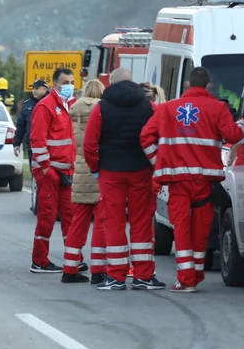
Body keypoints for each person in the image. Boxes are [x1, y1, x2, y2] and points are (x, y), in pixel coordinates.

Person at [141, 66, 244, 292]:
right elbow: (234, 135)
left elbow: (146, 137)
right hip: (205, 181)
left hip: (178, 180)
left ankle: (185, 279)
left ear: (188, 84)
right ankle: (196, 273)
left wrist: (158, 164)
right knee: (202, 227)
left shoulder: (167, 108)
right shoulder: (218, 108)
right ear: (208, 85)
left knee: (180, 227)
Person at [83, 68, 164, 290]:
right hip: (142, 172)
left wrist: (96, 168)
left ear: (111, 82)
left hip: (111, 173)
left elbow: (89, 144)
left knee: (114, 223)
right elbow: (159, 136)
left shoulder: (102, 107)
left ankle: (117, 277)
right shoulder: (149, 106)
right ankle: (143, 276)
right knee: (142, 224)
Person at [29, 67, 78, 276]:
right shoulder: (45, 107)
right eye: (65, 82)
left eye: (72, 82)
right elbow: (37, 142)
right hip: (49, 171)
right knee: (47, 217)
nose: (69, 86)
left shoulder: (71, 106)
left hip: (67, 171)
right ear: (56, 84)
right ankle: (39, 260)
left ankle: (73, 259)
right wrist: (47, 168)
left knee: (71, 216)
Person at [61, 79, 106, 285]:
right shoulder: (102, 110)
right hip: (98, 170)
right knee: (101, 222)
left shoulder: (73, 109)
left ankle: (70, 267)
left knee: (78, 222)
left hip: (79, 169)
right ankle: (98, 269)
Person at [13, 79, 48, 160]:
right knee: (34, 171)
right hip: (32, 147)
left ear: (44, 89)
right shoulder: (27, 105)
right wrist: (16, 143)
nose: (34, 91)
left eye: (37, 88)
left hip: (49, 146)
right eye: (33, 88)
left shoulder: (52, 103)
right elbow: (21, 126)